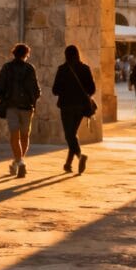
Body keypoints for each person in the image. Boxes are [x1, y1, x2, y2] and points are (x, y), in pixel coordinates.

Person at [0, 43, 40, 178]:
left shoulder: (7, 68)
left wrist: (5, 98)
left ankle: (18, 162)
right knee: (25, 136)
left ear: (14, 53)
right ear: (26, 54)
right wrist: (33, 101)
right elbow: (36, 89)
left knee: (15, 135)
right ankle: (19, 162)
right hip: (27, 107)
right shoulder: (30, 68)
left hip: (12, 106)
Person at [51, 45, 94, 174]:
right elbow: (92, 89)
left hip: (66, 106)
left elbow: (55, 90)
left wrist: (65, 90)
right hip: (81, 106)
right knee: (72, 134)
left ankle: (80, 157)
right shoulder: (85, 68)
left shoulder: (62, 69)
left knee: (69, 135)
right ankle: (68, 164)